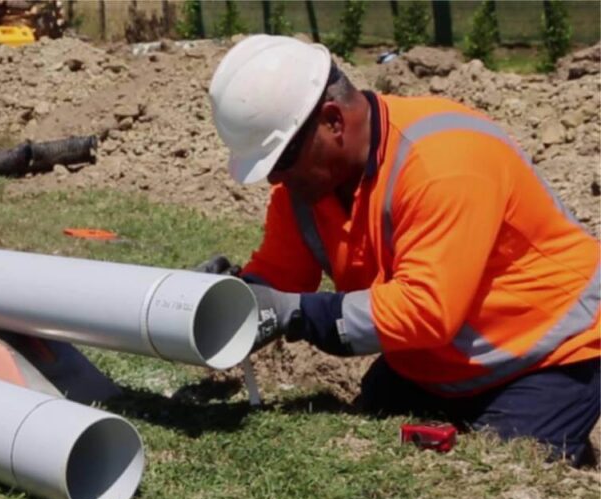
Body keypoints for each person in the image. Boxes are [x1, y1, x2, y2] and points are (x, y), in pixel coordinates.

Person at [207, 35, 600, 465]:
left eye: (280, 161)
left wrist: (297, 313)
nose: (274, 181)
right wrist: (228, 297)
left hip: (550, 353)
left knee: (495, 470)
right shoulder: (309, 185)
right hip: (437, 362)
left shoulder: (442, 162)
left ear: (333, 121)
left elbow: (427, 310)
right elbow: (281, 276)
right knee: (379, 431)